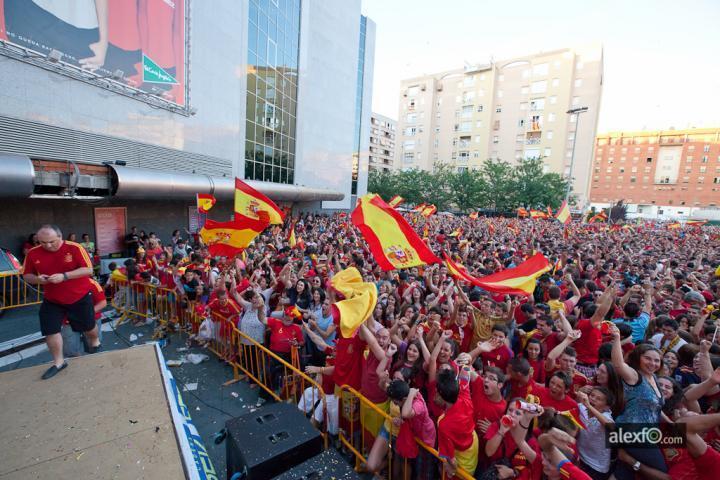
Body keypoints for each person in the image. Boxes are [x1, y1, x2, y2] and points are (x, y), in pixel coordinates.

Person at [22, 224, 100, 379]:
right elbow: (27, 275)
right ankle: (59, 362)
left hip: (79, 296)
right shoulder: (32, 253)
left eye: (51, 241)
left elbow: (88, 270)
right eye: (42, 242)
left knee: (88, 325)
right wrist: (38, 279)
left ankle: (95, 341)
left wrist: (64, 276)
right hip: (52, 299)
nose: (48, 246)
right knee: (50, 330)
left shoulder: (75, 247)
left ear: (60, 236)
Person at [608, 323, 667, 479]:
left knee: (624, 473)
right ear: (638, 358)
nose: (652, 363)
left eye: (656, 361)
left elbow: (656, 409)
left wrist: (674, 427)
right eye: (647, 358)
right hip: (632, 434)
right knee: (663, 475)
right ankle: (627, 459)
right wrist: (617, 339)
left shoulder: (654, 377)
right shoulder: (634, 376)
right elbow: (618, 365)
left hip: (647, 434)